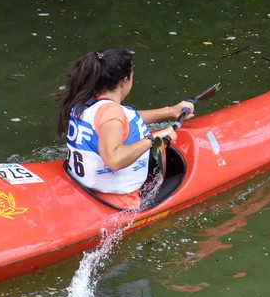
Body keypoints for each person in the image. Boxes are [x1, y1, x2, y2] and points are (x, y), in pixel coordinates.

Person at [56, 48, 195, 210]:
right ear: (125, 80)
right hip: (120, 200)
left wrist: (169, 111)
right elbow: (114, 160)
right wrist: (152, 139)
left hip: (81, 186)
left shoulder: (86, 102)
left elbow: (123, 121)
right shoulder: (111, 112)